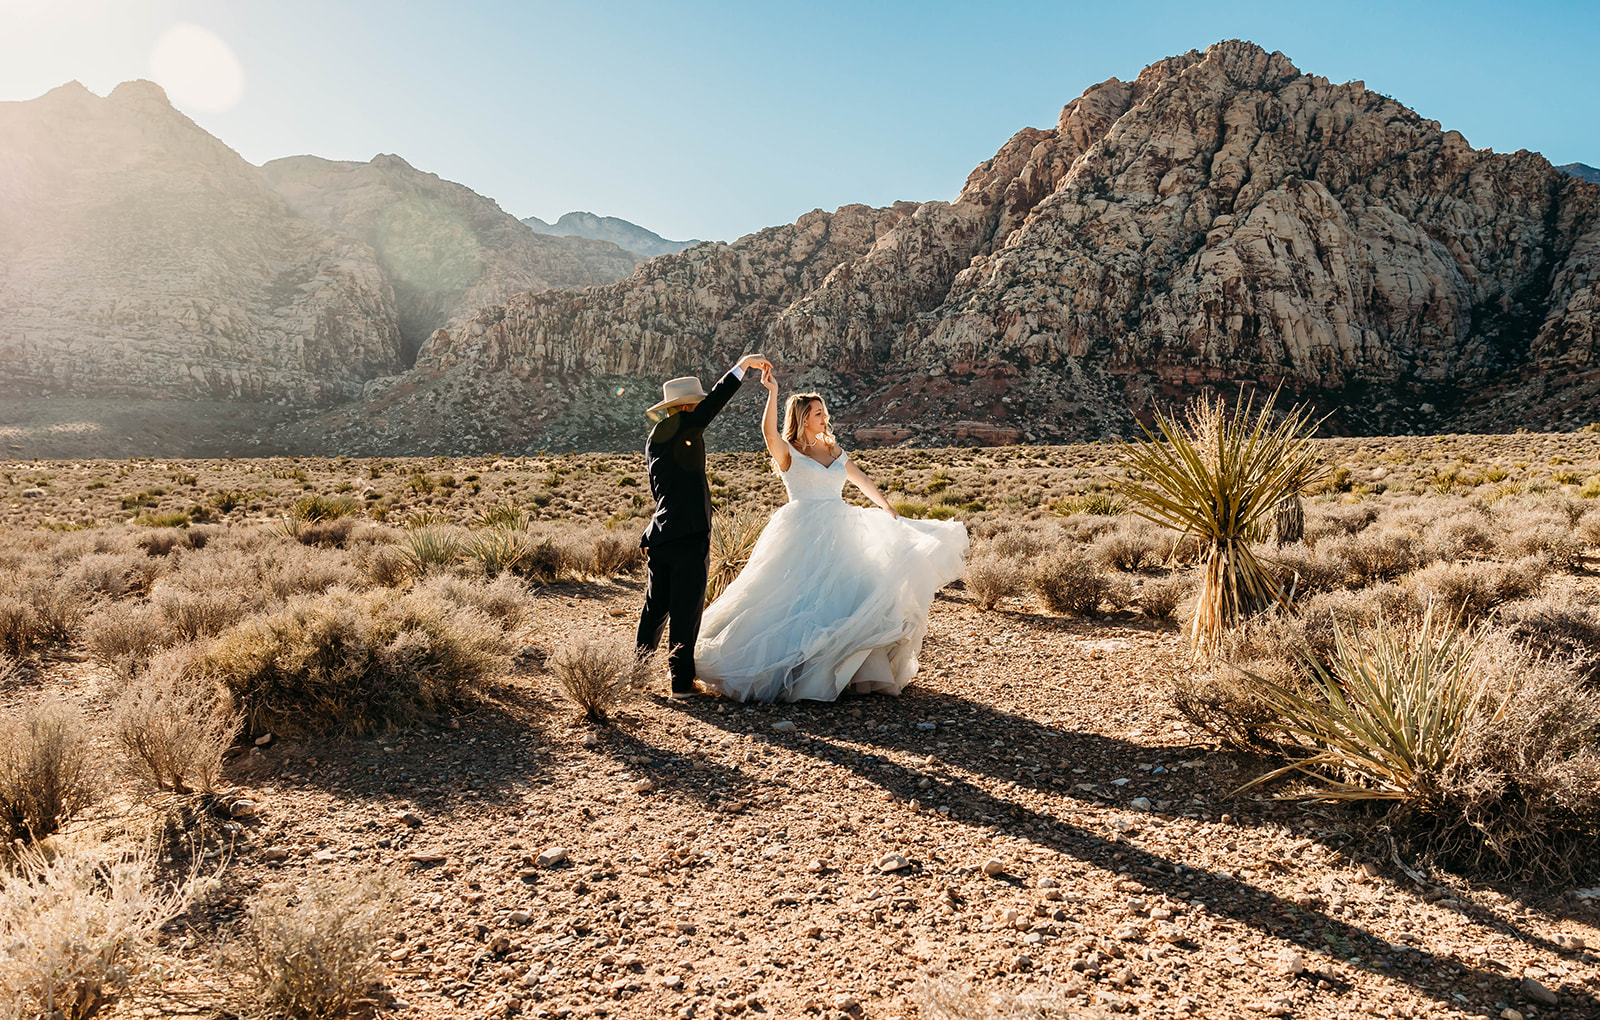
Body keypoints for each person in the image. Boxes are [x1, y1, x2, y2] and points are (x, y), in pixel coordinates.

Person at [694, 375, 968, 702]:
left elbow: (860, 479)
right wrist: (774, 392)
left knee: (849, 596)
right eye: (818, 413)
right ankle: (795, 671)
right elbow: (768, 432)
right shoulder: (789, 452)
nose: (825, 418)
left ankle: (851, 672)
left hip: (841, 527)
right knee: (797, 599)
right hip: (802, 529)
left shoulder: (833, 448)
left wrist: (888, 509)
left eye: (824, 412)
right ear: (802, 418)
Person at [636, 354, 772, 699]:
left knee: (656, 607)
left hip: (661, 534)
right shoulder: (684, 427)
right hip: (687, 535)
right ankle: (681, 684)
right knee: (686, 608)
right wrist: (742, 366)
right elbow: (715, 401)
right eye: (694, 406)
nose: (698, 410)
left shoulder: (656, 437)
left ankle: (636, 673)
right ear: (686, 408)